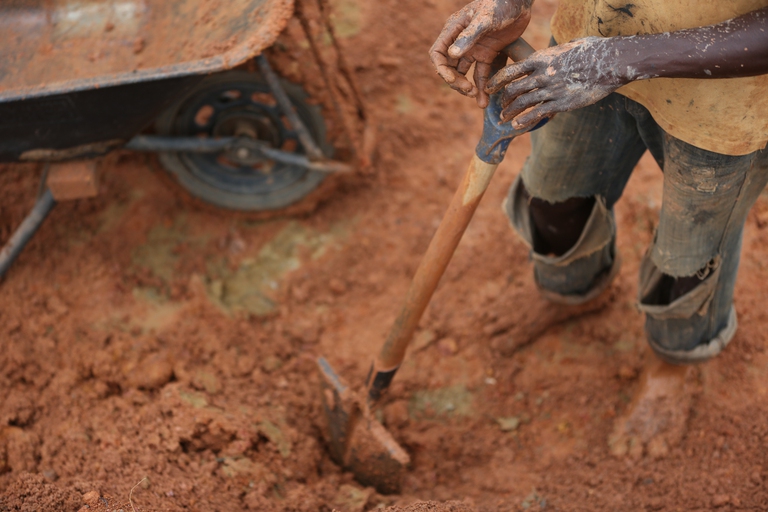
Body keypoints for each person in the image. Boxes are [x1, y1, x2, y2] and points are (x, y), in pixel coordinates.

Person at [430, 1, 768, 458]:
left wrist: (612, 61)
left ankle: (673, 363)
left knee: (689, 258)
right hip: (583, 39)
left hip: (727, 100)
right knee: (554, 198)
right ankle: (571, 292)